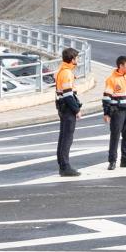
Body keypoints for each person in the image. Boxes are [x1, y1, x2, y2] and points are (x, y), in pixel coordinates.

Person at [103, 55, 126, 171]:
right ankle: (112, 161)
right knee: (115, 137)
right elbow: (106, 98)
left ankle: (125, 160)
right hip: (117, 112)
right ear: (121, 66)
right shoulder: (111, 79)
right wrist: (107, 113)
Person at [55, 47, 82, 177]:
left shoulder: (63, 70)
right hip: (67, 109)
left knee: (63, 137)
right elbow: (68, 95)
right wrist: (76, 110)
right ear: (72, 59)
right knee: (67, 138)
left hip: (62, 107)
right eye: (76, 58)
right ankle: (65, 167)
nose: (78, 60)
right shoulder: (66, 73)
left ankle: (62, 164)